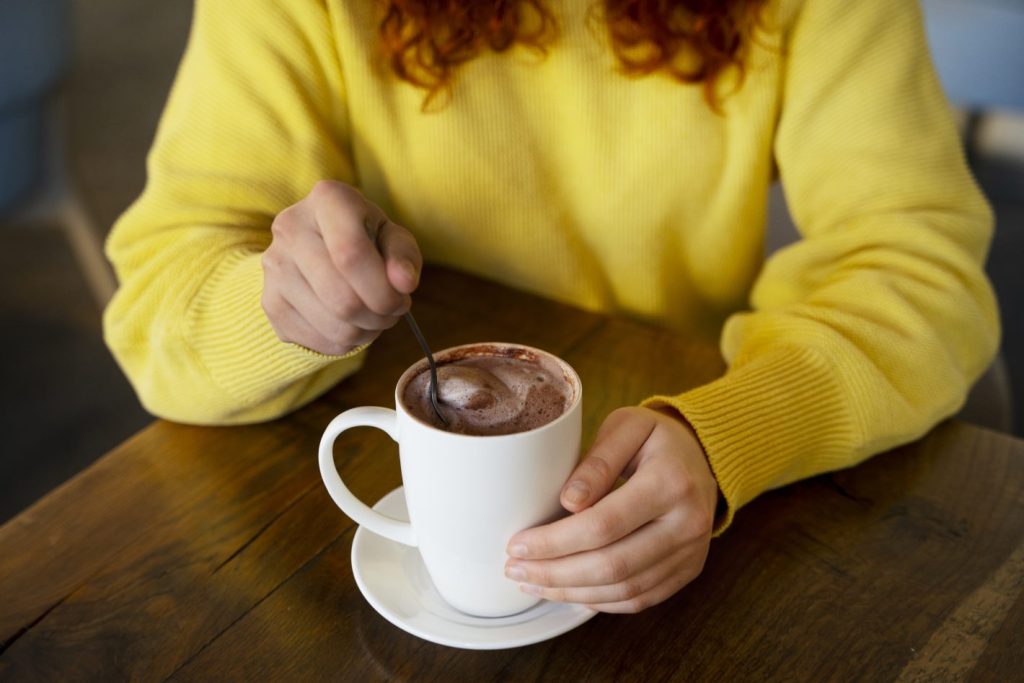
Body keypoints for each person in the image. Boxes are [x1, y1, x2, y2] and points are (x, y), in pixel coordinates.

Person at [103, 0, 999, 613]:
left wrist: (728, 435)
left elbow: (919, 267)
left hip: (683, 483)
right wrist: (281, 307)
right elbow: (158, 307)